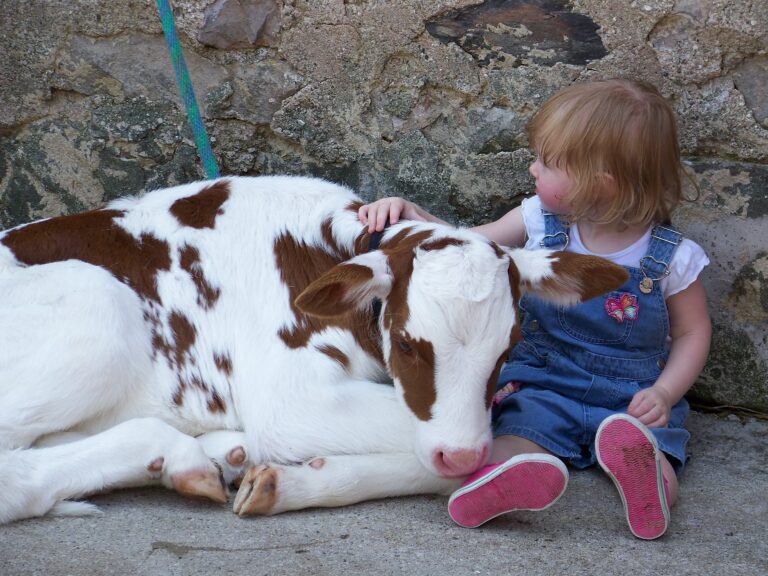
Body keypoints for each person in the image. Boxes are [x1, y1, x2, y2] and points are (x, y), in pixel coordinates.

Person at [358, 79, 711, 540]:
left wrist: (664, 394)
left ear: (598, 182)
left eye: (546, 162)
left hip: (633, 399)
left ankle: (647, 484)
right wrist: (410, 213)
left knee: (656, 455)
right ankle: (510, 481)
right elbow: (468, 244)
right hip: (546, 382)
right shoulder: (536, 223)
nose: (532, 168)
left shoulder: (673, 257)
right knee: (512, 437)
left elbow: (692, 333)